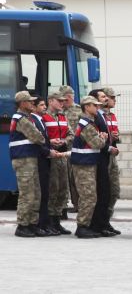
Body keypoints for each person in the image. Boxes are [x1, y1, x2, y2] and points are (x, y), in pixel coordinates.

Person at [10, 91, 60, 237]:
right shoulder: (20, 118)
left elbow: (39, 136)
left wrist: (40, 136)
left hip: (30, 159)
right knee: (27, 194)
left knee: (35, 193)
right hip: (23, 159)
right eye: (30, 101)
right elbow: (37, 136)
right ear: (22, 103)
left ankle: (32, 224)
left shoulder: (28, 118)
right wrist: (40, 136)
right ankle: (22, 225)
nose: (33, 103)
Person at [70, 96, 108, 238]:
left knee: (89, 196)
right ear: (87, 107)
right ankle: (82, 226)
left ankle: (86, 225)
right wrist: (102, 138)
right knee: (88, 196)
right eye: (95, 105)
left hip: (87, 163)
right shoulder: (86, 124)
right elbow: (97, 144)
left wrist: (100, 137)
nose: (98, 108)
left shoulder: (89, 123)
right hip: (83, 164)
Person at [42, 91, 73, 235]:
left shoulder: (63, 116)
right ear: (50, 101)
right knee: (52, 189)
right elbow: (40, 136)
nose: (62, 103)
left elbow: (71, 134)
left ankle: (57, 221)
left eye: (63, 101)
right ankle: (49, 222)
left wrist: (65, 141)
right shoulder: (43, 117)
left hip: (62, 156)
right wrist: (50, 142)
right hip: (50, 157)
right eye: (59, 101)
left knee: (63, 189)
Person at [88, 89, 116, 237]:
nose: (106, 99)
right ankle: (97, 225)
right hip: (99, 157)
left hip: (104, 157)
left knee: (106, 192)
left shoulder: (102, 115)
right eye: (103, 97)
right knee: (101, 192)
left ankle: (103, 223)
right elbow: (96, 138)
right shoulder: (94, 117)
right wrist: (108, 147)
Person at [32, 97, 57, 236]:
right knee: (41, 193)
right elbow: (37, 143)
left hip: (46, 159)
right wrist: (48, 151)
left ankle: (46, 224)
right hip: (40, 160)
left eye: (44, 105)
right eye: (41, 105)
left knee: (46, 193)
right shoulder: (33, 121)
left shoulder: (41, 121)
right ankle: (40, 224)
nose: (44, 107)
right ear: (34, 107)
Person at [103, 87, 122, 235]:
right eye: (112, 98)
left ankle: (106, 220)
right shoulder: (99, 116)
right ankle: (101, 222)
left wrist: (116, 136)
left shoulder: (112, 116)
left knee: (114, 191)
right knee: (104, 191)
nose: (115, 100)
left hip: (112, 157)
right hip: (104, 156)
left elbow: (117, 136)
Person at [61, 85, 82, 212]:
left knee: (75, 177)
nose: (62, 101)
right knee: (65, 177)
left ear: (69, 97)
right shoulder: (59, 111)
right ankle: (64, 204)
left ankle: (77, 204)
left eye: (65, 98)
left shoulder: (79, 110)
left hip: (75, 149)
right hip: (62, 148)